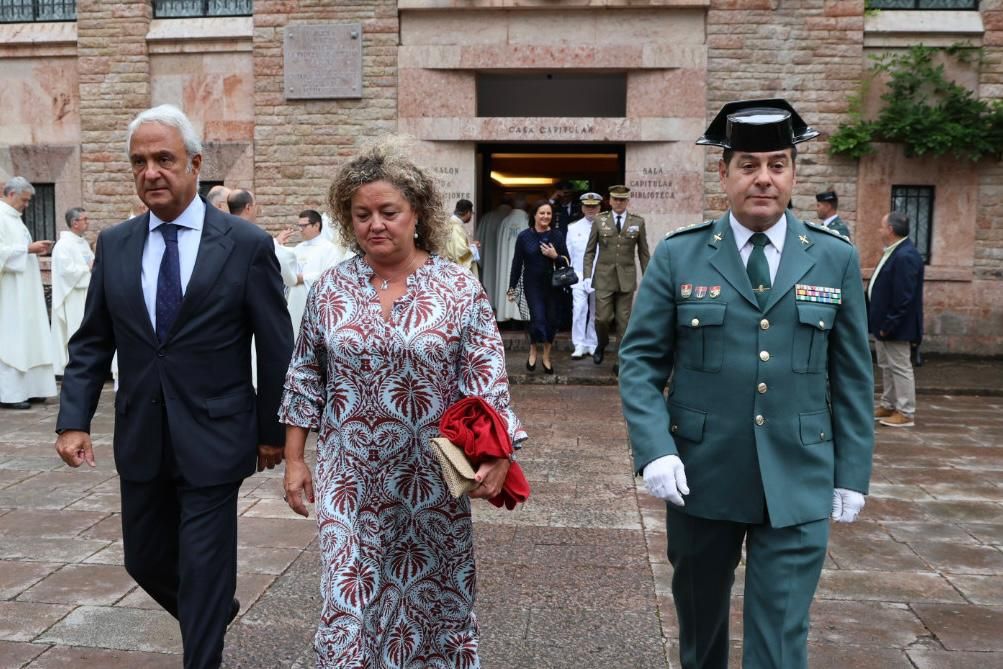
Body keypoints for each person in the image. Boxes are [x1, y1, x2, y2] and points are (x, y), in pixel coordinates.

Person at [618, 98, 874, 669]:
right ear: (724, 173)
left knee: (780, 639)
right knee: (700, 630)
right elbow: (639, 361)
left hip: (800, 476)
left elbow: (854, 376)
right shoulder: (680, 254)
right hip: (702, 475)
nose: (764, 178)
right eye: (749, 165)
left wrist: (852, 472)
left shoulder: (832, 258)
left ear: (793, 174)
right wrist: (655, 449)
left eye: (778, 165)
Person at [54, 104, 293, 669]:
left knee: (205, 564)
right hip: (142, 432)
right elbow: (93, 341)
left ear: (195, 163)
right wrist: (73, 420)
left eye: (164, 158)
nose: (151, 172)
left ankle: (203, 644)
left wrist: (274, 433)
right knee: (144, 560)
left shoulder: (245, 244)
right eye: (139, 162)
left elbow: (275, 346)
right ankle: (212, 609)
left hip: (216, 433)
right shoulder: (115, 244)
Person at [279, 137, 526, 667]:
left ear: (416, 213)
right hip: (349, 477)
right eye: (362, 214)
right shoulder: (329, 290)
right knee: (347, 600)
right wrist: (295, 460)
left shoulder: (458, 289)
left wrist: (500, 453)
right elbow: (305, 375)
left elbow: (487, 379)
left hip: (431, 480)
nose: (375, 225)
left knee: (431, 602)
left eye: (388, 212)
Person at [0, 176, 56, 409]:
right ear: (11, 194)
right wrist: (27, 249)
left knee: (31, 337)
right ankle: (11, 394)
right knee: (14, 339)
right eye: (24, 200)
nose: (27, 205)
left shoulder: (15, 219)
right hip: (11, 293)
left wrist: (32, 250)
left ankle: (33, 388)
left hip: (26, 290)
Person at [582, 185, 650, 373]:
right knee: (602, 319)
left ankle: (621, 359)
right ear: (610, 201)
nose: (619, 203)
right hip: (603, 278)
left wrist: (649, 277)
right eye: (616, 199)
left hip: (626, 278)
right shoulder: (599, 220)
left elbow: (643, 253)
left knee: (624, 321)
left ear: (627, 201)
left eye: (622, 199)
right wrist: (587, 275)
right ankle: (602, 343)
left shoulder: (638, 222)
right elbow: (589, 251)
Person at [869, 210, 924, 428]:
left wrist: (889, 323)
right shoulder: (895, 251)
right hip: (883, 324)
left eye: (882, 226)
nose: (879, 230)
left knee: (900, 367)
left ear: (890, 229)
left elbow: (904, 297)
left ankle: (906, 411)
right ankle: (889, 404)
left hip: (895, 326)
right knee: (887, 366)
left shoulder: (905, 255)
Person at [506, 199, 571, 374]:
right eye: (542, 213)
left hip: (553, 285)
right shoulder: (524, 236)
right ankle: (533, 349)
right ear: (534, 215)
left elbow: (567, 261)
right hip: (532, 284)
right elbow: (516, 264)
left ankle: (547, 356)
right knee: (538, 318)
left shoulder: (557, 235)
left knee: (552, 320)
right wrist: (512, 287)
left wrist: (554, 256)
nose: (545, 216)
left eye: (548, 213)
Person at [284, 209, 346, 337]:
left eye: (304, 226)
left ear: (317, 225)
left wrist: (303, 278)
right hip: (295, 301)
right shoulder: (298, 249)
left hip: (316, 304)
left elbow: (330, 276)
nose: (300, 229)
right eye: (299, 226)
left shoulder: (330, 249)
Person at [50, 207, 95, 376]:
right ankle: (74, 366)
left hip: (86, 293)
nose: (88, 222)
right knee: (75, 330)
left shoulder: (82, 243)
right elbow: (66, 272)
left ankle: (87, 364)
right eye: (85, 219)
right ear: (75, 223)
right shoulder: (63, 245)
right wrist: (87, 268)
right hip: (73, 295)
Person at [566, 192, 601, 359]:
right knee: (579, 309)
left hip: (599, 275)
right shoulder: (573, 228)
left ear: (599, 207)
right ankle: (579, 344)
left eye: (594, 206)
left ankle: (592, 343)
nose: (591, 209)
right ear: (582, 208)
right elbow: (569, 253)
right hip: (579, 275)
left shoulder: (605, 226)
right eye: (587, 206)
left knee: (596, 312)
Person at [493, 195, 528, 321]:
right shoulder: (528, 221)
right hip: (523, 263)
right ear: (525, 206)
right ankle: (521, 317)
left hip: (505, 263)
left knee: (505, 281)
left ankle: (505, 314)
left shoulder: (505, 221)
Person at [475, 197, 513, 308]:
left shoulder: (486, 218)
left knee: (490, 284)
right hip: (508, 263)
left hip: (489, 262)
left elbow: (478, 243)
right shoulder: (511, 219)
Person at [443, 198, 479, 278]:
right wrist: (473, 248)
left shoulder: (452, 225)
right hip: (457, 273)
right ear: (468, 212)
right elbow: (461, 257)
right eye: (471, 213)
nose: (471, 216)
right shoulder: (456, 228)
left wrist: (470, 245)